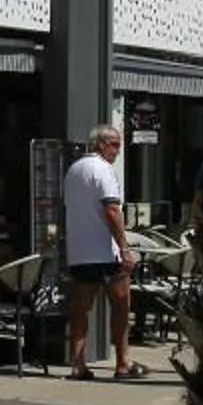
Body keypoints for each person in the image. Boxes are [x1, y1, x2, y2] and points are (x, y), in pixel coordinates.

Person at [62, 122, 141, 380]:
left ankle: (78, 364)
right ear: (100, 144)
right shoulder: (104, 170)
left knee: (80, 308)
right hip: (106, 252)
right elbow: (112, 210)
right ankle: (122, 363)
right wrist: (124, 248)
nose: (117, 151)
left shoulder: (73, 170)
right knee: (121, 305)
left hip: (80, 251)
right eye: (114, 145)